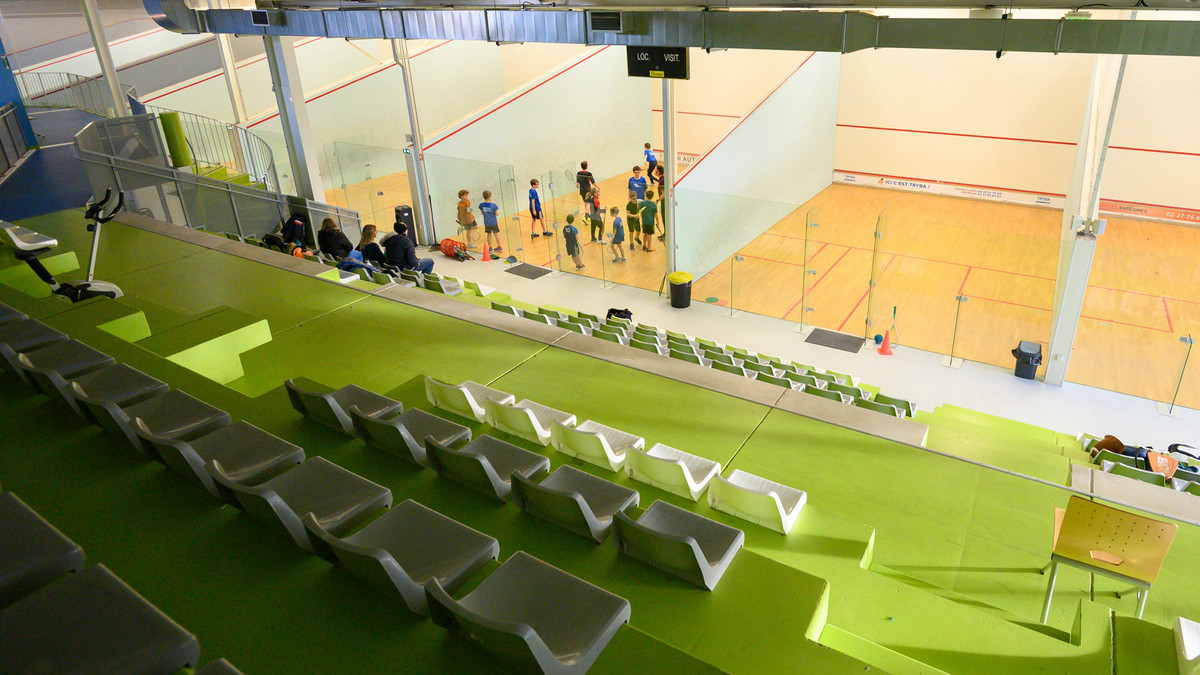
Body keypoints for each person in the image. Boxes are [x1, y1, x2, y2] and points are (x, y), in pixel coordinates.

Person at [479, 190, 503, 255]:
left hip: (487, 223)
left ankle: (490, 248)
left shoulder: (481, 205)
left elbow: (482, 213)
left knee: (489, 235)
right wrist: (492, 205)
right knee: (496, 234)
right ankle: (500, 247)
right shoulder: (493, 205)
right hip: (494, 223)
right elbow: (497, 214)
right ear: (490, 197)